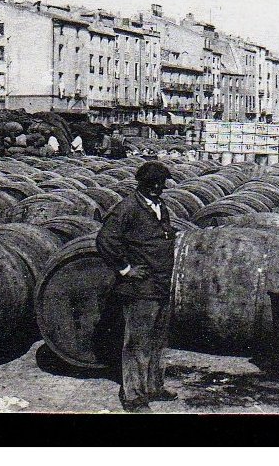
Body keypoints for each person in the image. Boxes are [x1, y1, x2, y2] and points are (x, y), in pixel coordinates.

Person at [96, 161, 178, 412]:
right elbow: (105, 240)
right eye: (150, 183)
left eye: (159, 183)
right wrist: (126, 269)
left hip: (161, 284)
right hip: (140, 288)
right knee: (137, 343)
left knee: (157, 341)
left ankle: (153, 386)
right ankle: (133, 396)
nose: (156, 187)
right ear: (140, 183)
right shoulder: (128, 208)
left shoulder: (160, 206)